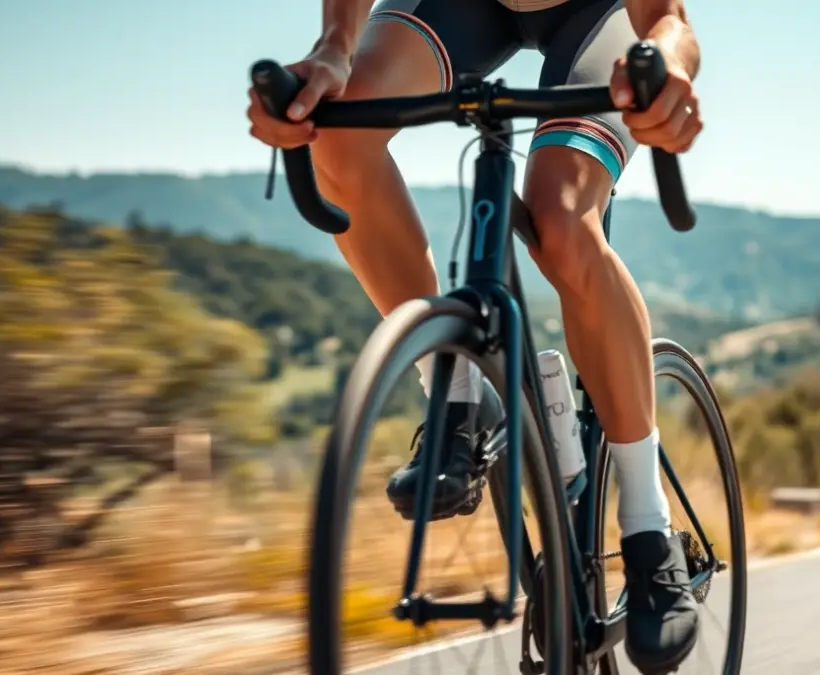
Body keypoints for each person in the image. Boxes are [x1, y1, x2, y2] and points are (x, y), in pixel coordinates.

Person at [247, 0, 703, 670]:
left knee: (562, 221)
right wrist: (334, 49)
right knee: (335, 139)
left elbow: (668, 18)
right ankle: (453, 390)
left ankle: (646, 522)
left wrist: (666, 64)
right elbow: (340, 48)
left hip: (593, 14)